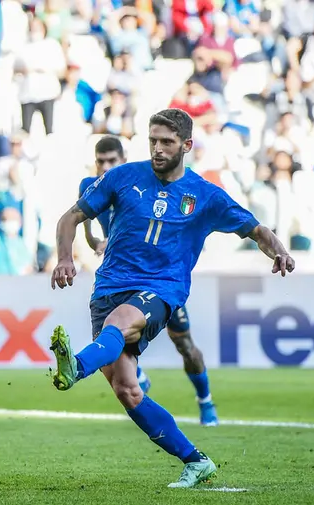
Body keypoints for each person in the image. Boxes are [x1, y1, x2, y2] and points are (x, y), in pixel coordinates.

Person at [50, 109, 294, 488]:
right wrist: (65, 258)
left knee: (120, 324)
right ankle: (196, 461)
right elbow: (69, 218)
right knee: (127, 389)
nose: (158, 149)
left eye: (167, 142)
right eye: (153, 141)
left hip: (160, 289)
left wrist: (278, 250)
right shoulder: (122, 177)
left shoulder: (205, 195)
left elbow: (256, 229)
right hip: (108, 287)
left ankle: (75, 368)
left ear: (187, 145)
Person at [78, 135, 218, 426]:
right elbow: (85, 223)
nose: (105, 166)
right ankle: (135, 375)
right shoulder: (90, 185)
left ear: (123, 159)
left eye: (111, 161)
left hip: (157, 280)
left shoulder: (141, 184)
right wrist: (97, 242)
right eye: (100, 161)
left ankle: (205, 400)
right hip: (121, 279)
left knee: (185, 344)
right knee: (115, 327)